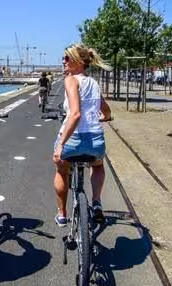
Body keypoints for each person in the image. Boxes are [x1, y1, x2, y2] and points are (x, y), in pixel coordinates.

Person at [53, 43, 112, 227]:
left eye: (67, 58)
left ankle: (62, 214)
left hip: (74, 140)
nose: (64, 61)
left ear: (78, 62)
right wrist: (105, 117)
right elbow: (106, 110)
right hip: (95, 139)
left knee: (62, 170)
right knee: (98, 165)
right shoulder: (94, 83)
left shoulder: (71, 80)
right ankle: (96, 202)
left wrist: (61, 144)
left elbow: (75, 113)